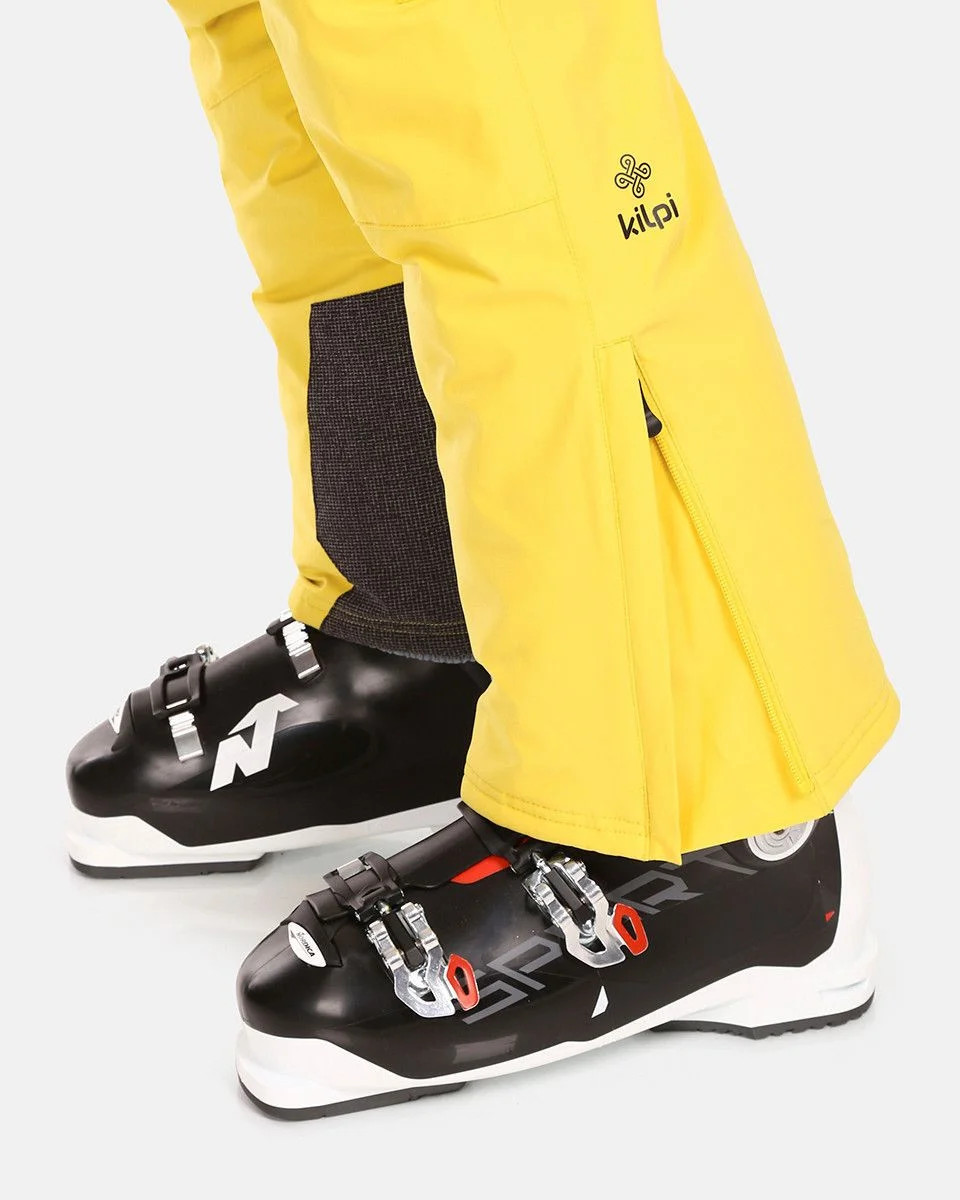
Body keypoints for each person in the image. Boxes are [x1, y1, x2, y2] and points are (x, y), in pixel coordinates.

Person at [67, 0, 898, 1118]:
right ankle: (428, 626)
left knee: (490, 80)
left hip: (688, 782)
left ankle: (704, 804)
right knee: (319, 61)